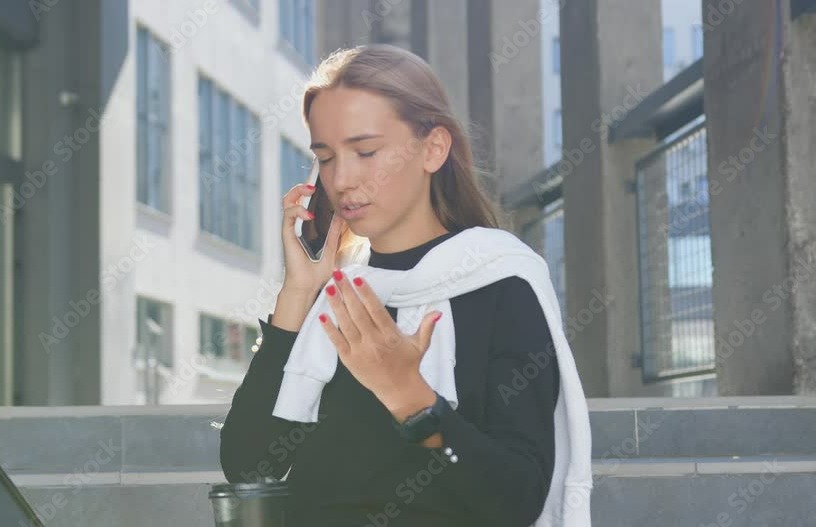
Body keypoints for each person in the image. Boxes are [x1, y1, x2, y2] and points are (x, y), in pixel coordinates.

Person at [220, 44, 583, 526]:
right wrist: (298, 293)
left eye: (365, 151)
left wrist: (411, 397)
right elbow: (250, 466)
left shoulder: (502, 281)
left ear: (433, 148)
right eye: (325, 157)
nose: (341, 179)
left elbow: (517, 501)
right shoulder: (335, 294)